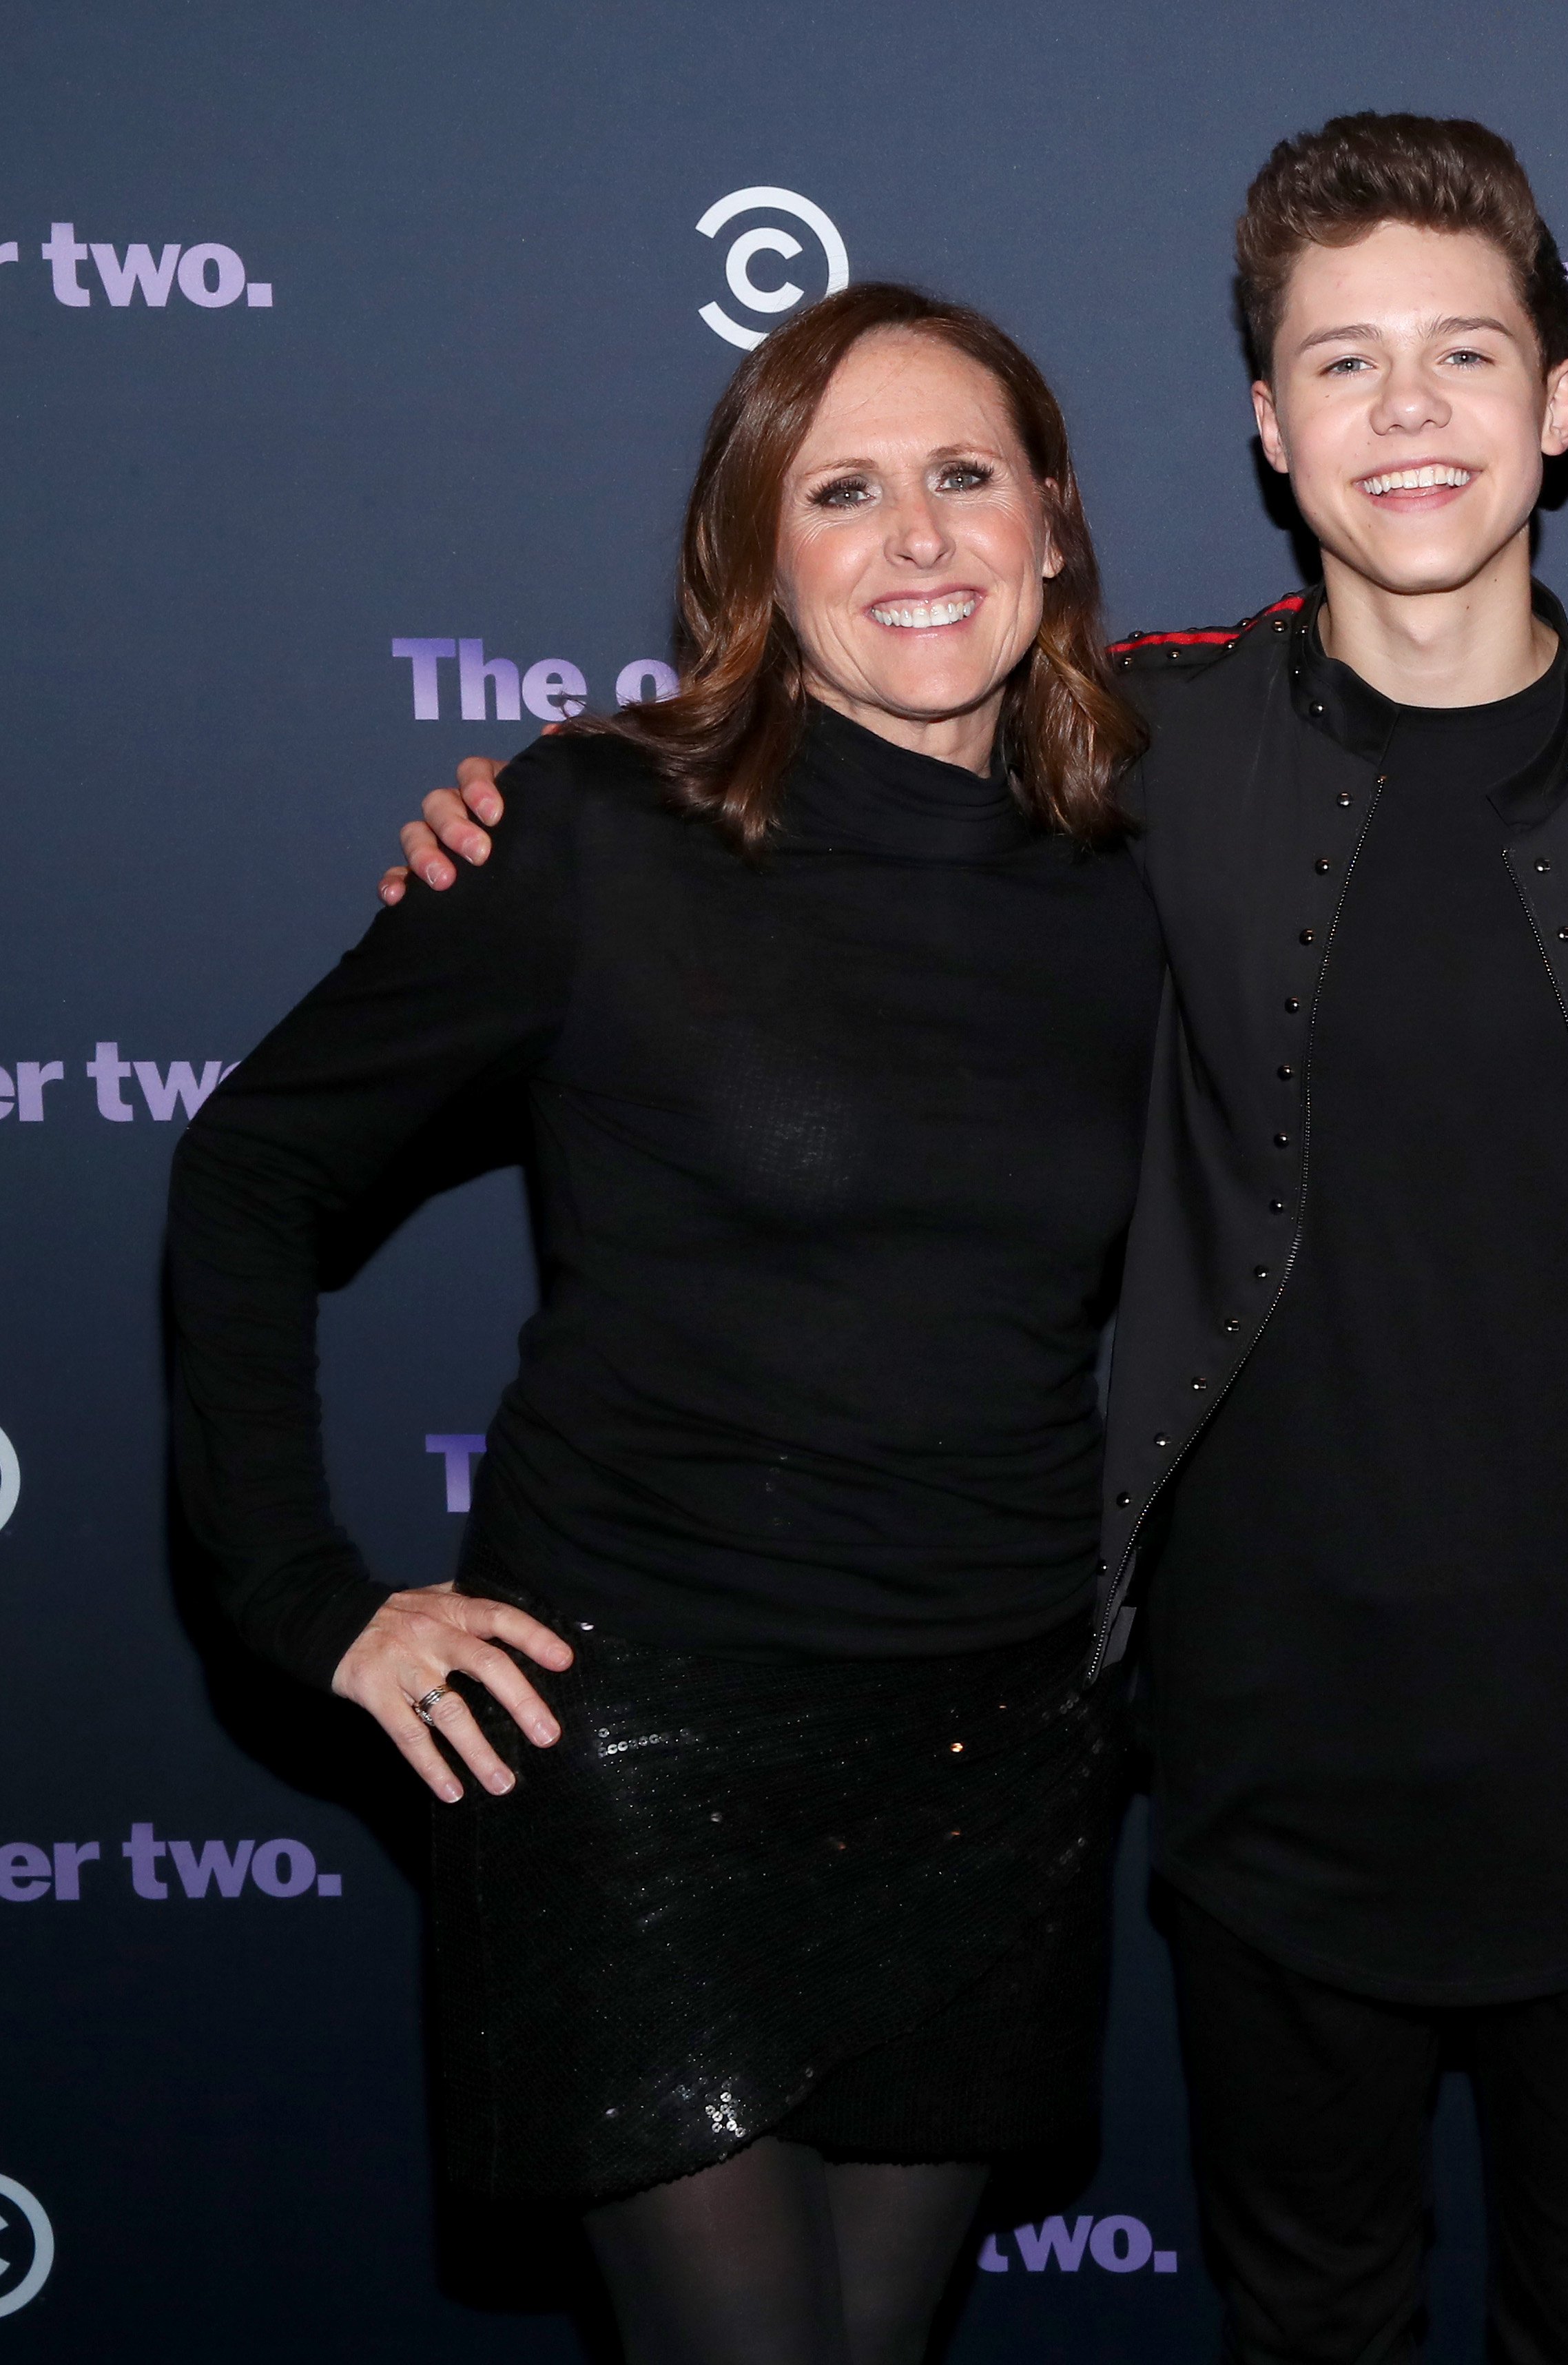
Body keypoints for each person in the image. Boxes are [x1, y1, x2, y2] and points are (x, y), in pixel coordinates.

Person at [386, 114, 1568, 2365]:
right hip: (1259, 1743)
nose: (1409, 412)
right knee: (1306, 2319)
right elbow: (815, 792)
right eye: (1343, 363)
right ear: (1267, 425)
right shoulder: (1121, 748)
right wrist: (562, 797)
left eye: (1465, 354)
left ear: (1561, 398)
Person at [169, 285, 1159, 2365]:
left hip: (997, 1740)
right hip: (634, 1733)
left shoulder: (1145, 864)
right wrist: (301, 1597)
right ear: (754, 558)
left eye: (965, 477)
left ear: (1053, 522)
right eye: (843, 491)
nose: (918, 537)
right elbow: (252, 1168)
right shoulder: (595, 835)